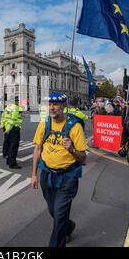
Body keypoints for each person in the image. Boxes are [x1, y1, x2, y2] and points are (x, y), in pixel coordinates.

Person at [31, 92, 88, 247]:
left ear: (63, 106)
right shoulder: (44, 124)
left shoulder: (74, 127)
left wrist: (71, 150)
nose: (52, 107)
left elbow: (83, 157)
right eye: (50, 104)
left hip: (67, 178)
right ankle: (68, 226)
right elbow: (37, 149)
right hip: (47, 176)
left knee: (60, 214)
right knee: (53, 212)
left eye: (55, 104)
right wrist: (34, 175)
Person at [1, 97, 23, 169]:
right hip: (13, 129)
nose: (18, 102)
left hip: (7, 128)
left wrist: (3, 126)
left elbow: (3, 118)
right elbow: (13, 121)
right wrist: (8, 130)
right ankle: (12, 163)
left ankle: (8, 160)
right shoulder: (16, 108)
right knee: (14, 147)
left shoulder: (7, 108)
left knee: (9, 145)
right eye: (17, 101)